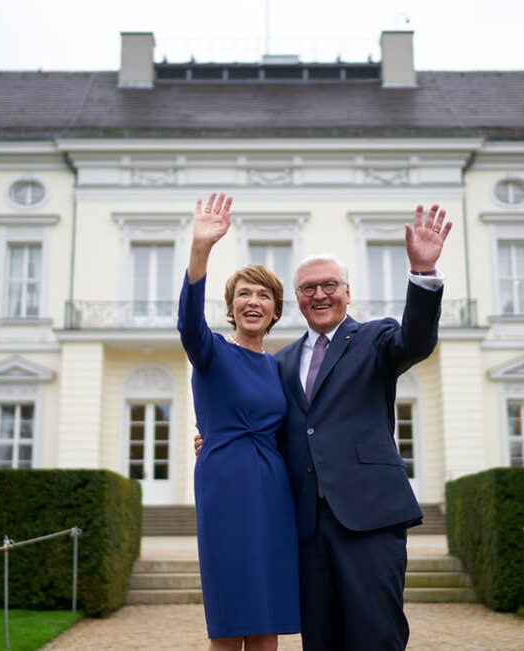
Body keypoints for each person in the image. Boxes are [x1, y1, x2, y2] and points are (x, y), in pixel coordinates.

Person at [197, 202, 452, 650]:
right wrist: (218, 439)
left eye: (329, 285)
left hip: (369, 518)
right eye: (308, 288)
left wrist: (423, 274)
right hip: (305, 526)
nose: (319, 295)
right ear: (295, 299)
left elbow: (417, 339)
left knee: (377, 636)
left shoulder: (375, 339)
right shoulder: (279, 362)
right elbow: (267, 426)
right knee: (321, 640)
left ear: (347, 292)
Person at [178, 192, 300, 650]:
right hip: (225, 483)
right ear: (231, 307)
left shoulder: (279, 368)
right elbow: (188, 323)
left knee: (267, 624)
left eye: (263, 295)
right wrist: (201, 249)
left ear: (274, 310)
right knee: (230, 623)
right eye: (244, 294)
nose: (253, 301)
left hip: (273, 491)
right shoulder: (211, 351)